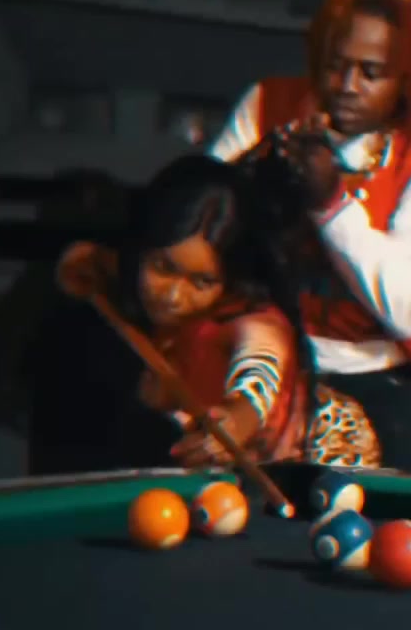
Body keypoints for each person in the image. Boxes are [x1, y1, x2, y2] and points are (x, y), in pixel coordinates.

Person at [206, 0, 411, 476]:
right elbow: (201, 222)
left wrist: (331, 205)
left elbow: (407, 310)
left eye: (371, 73)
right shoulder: (267, 106)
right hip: (260, 350)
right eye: (334, 66)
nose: (347, 85)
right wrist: (255, 172)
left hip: (377, 368)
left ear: (402, 81)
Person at [55, 155, 381, 469]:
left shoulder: (257, 322)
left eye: (202, 281)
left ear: (231, 279)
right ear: (141, 249)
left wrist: (236, 423)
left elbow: (258, 378)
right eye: (163, 267)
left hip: (326, 449)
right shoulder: (134, 271)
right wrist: (87, 260)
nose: (173, 295)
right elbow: (93, 260)